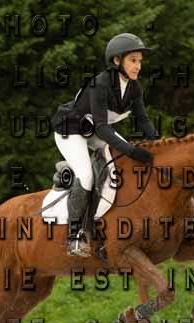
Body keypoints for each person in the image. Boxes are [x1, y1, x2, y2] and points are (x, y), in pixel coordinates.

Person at [52, 32, 160, 257]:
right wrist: (131, 150)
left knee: (122, 166)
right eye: (133, 60)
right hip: (70, 130)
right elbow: (102, 128)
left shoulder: (134, 88)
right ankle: (75, 237)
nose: (138, 66)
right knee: (86, 176)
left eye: (140, 61)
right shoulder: (100, 84)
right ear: (116, 61)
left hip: (94, 130)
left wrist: (158, 145)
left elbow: (143, 120)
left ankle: (106, 231)